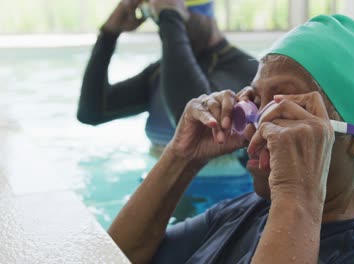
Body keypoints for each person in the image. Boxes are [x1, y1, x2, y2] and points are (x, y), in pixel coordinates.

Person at [108, 15, 354, 263]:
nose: (254, 128)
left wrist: (298, 196)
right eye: (255, 102)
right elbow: (111, 258)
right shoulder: (240, 213)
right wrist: (181, 157)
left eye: (284, 109)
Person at [77, 0, 258, 219]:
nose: (166, 30)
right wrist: (107, 35)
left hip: (224, 202)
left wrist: (170, 19)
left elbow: (193, 117)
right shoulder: (161, 73)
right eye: (161, 21)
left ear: (203, 14)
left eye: (174, 20)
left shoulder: (247, 72)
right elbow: (92, 112)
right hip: (167, 194)